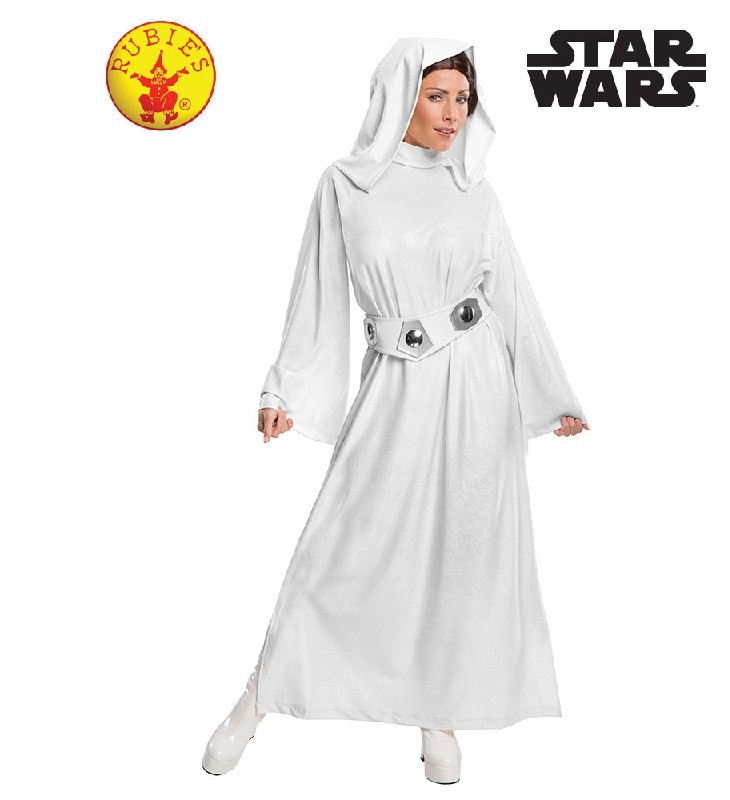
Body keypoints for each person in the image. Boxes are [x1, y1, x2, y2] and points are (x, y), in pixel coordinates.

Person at [202, 37, 589, 785]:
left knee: (460, 555)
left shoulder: (476, 190)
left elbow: (512, 295)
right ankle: (260, 696)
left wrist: (551, 395)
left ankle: (437, 712)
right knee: (341, 546)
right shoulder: (347, 184)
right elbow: (316, 292)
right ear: (398, 96)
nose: (453, 114)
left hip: (477, 388)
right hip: (394, 385)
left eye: (463, 100)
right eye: (436, 95)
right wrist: (284, 388)